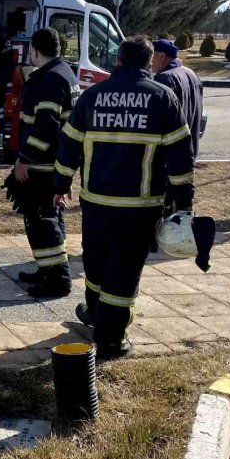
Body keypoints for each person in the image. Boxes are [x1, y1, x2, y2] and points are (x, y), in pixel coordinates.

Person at [53, 36, 195, 360]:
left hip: (96, 203)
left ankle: (96, 318)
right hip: (140, 207)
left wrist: (60, 183)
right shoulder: (163, 98)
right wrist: (184, 202)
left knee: (96, 265)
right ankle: (111, 341)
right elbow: (180, 157)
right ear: (149, 63)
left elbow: (69, 144)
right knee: (124, 270)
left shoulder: (93, 96)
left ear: (117, 60)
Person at [12, 27, 80, 298]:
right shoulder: (64, 73)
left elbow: (46, 127)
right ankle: (46, 269)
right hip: (55, 163)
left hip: (42, 166)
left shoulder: (51, 79)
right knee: (46, 219)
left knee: (43, 221)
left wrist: (26, 160)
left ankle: (58, 279)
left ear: (35, 51)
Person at [152, 38, 203, 158]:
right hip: (190, 147)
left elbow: (162, 118)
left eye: (151, 56)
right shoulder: (190, 73)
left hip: (173, 150)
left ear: (162, 56)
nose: (149, 62)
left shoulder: (164, 78)